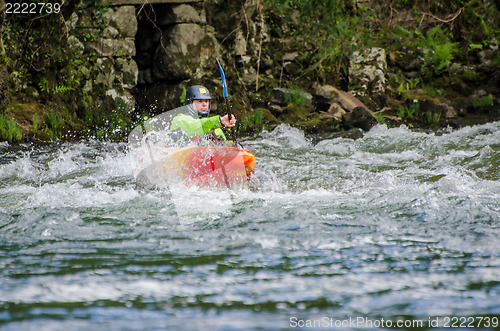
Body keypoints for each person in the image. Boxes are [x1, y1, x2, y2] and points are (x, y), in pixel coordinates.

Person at [169, 85, 236, 145]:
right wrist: (220, 120)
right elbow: (198, 126)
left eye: (206, 101)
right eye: (200, 101)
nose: (204, 104)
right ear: (190, 103)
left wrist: (233, 145)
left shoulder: (214, 127)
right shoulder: (180, 119)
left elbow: (222, 144)